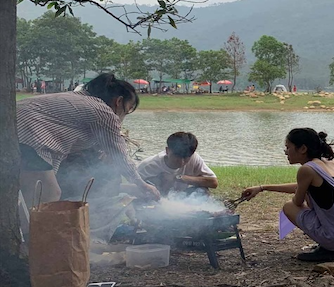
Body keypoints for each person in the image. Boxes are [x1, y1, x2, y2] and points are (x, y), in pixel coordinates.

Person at [17, 73, 160, 208]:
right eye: (127, 110)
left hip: (12, 134)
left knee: (26, 196)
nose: (123, 117)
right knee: (48, 195)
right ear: (119, 101)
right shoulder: (103, 111)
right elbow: (120, 156)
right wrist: (142, 185)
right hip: (27, 139)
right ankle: (33, 233)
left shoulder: (78, 99)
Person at [241, 128, 334, 262]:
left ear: (302, 149)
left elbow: (297, 202)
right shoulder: (328, 164)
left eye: (288, 147)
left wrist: (303, 195)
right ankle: (329, 246)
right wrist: (262, 188)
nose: (285, 152)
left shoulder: (306, 169)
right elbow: (303, 186)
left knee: (289, 207)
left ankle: (328, 249)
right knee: (311, 198)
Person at [137, 132, 218, 196]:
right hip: (154, 200)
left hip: (179, 199)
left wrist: (178, 178)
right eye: (177, 157)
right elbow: (129, 189)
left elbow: (213, 182)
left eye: (186, 158)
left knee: (203, 191)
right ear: (167, 150)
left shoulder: (194, 158)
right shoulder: (148, 166)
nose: (181, 162)